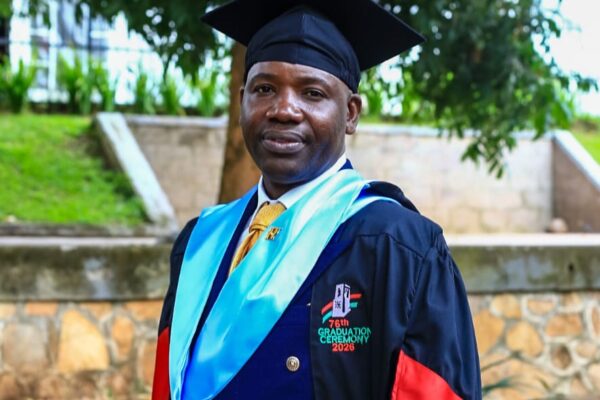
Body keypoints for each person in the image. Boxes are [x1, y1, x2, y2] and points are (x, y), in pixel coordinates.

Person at [152, 0, 481, 399]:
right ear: (242, 101)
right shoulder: (200, 242)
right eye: (264, 89)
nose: (284, 110)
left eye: (312, 93)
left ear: (351, 113)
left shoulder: (397, 246)